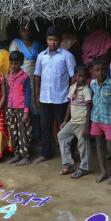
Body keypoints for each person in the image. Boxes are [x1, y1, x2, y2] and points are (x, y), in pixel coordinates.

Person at [30, 26, 76, 166]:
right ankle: (45, 153)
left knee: (65, 128)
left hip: (62, 98)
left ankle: (69, 155)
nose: (53, 43)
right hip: (45, 98)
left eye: (55, 40)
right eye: (50, 40)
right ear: (46, 40)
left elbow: (73, 77)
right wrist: (37, 96)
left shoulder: (66, 56)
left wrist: (71, 96)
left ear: (60, 41)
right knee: (45, 127)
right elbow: (37, 76)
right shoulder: (41, 56)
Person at [89, 58, 111, 185]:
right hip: (96, 119)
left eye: (103, 69)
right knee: (98, 146)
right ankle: (103, 172)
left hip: (109, 121)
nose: (100, 72)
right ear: (93, 71)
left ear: (107, 69)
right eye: (97, 70)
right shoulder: (92, 84)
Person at [9, 23, 44, 140]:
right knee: (24, 103)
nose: (26, 33)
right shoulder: (15, 42)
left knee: (36, 104)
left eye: (29, 30)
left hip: (36, 76)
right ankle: (25, 135)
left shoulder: (37, 44)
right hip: (21, 77)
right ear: (19, 32)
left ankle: (36, 135)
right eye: (24, 30)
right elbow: (13, 62)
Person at [58, 65, 92, 179]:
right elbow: (69, 104)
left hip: (82, 122)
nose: (82, 78)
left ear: (87, 77)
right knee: (61, 135)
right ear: (75, 76)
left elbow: (89, 107)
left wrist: (87, 126)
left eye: (84, 76)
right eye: (79, 76)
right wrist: (65, 121)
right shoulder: (72, 87)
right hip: (73, 121)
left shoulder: (86, 90)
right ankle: (70, 163)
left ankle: (84, 167)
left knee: (83, 146)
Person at [5, 51, 32, 165]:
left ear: (21, 63)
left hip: (21, 109)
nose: (13, 66)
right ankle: (17, 154)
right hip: (11, 109)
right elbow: (7, 93)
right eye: (11, 63)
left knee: (23, 132)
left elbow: (27, 95)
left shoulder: (25, 77)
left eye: (16, 63)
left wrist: (26, 112)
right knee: (13, 133)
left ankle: (25, 156)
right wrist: (7, 109)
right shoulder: (8, 77)